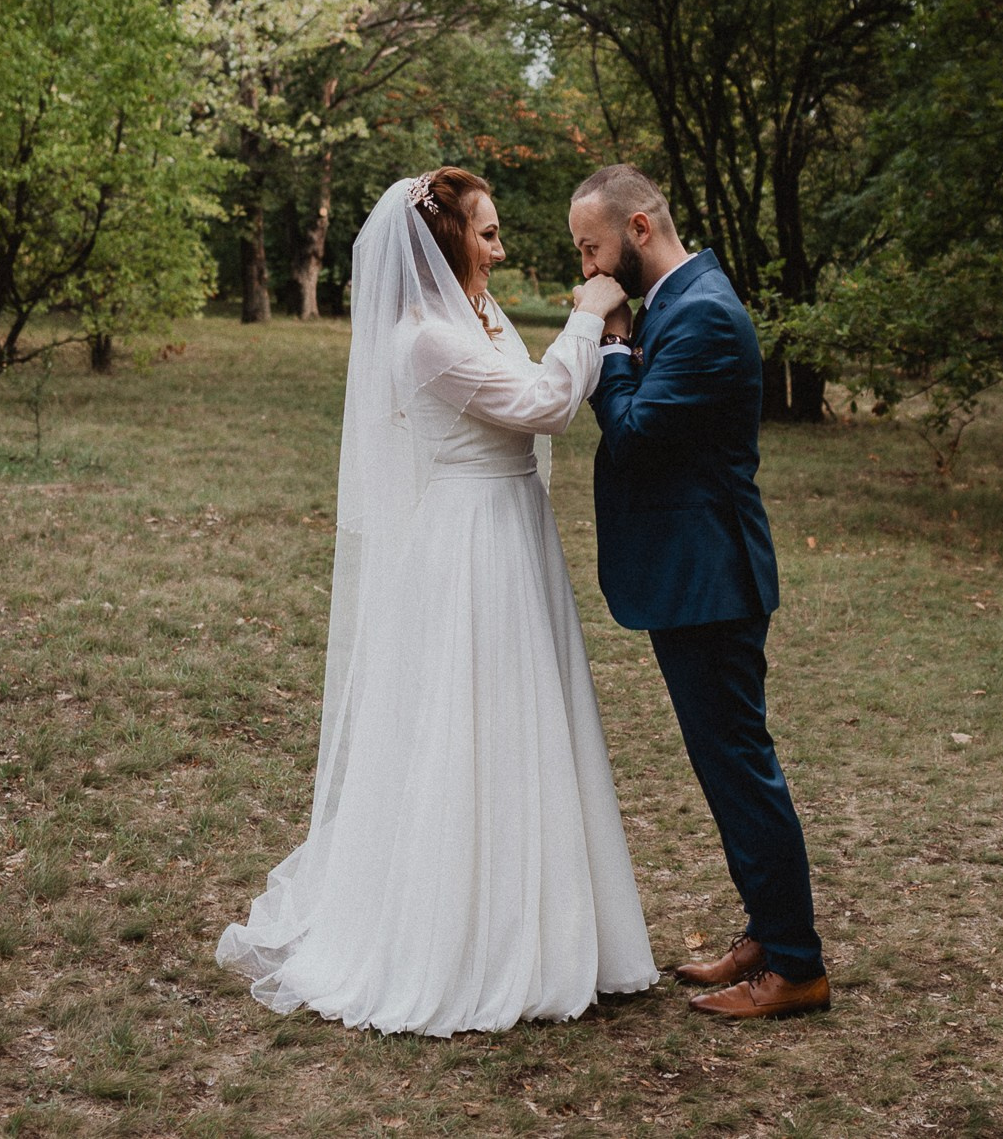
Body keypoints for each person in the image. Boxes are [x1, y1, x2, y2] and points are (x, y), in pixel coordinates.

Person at [214, 167, 660, 1035]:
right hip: (469, 543)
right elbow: (542, 403)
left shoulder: (477, 317)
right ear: (446, 239)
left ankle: (548, 921)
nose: (499, 247)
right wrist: (586, 315)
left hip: (513, 529)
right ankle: (464, 941)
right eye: (487, 233)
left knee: (528, 721)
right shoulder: (422, 338)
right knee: (473, 721)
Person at [569, 163, 830, 1020]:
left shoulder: (706, 316)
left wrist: (608, 342)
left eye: (592, 247)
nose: (588, 268)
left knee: (741, 768)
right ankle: (767, 927)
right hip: (693, 578)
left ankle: (796, 965)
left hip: (711, 582)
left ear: (639, 229)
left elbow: (638, 435)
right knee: (724, 768)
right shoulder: (681, 304)